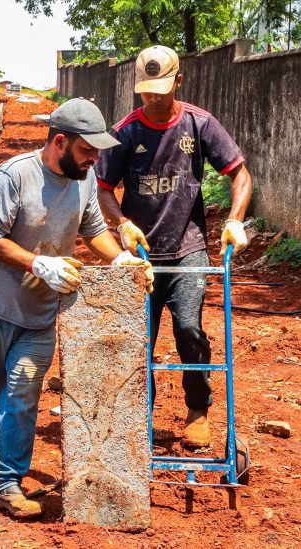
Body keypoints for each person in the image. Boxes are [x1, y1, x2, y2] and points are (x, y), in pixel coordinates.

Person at [0, 98, 154, 518]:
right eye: (87, 150)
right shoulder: (14, 176)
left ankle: (4, 481)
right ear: (60, 142)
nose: (94, 159)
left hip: (40, 313)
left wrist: (120, 260)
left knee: (23, 394)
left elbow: (95, 231)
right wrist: (38, 262)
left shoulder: (84, 179)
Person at [95, 45, 252, 448]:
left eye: (160, 91)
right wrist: (122, 223)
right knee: (138, 339)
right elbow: (104, 190)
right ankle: (136, 418)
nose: (152, 99)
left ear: (178, 81)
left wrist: (234, 218)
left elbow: (240, 175)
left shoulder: (200, 125)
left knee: (188, 328)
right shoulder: (125, 132)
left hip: (188, 248)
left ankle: (198, 409)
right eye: (146, 92)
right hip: (141, 254)